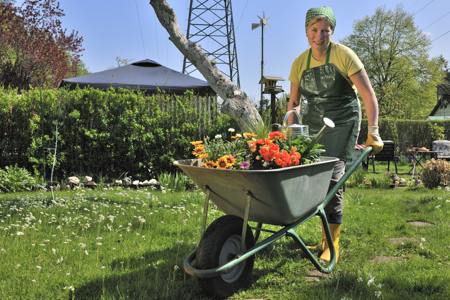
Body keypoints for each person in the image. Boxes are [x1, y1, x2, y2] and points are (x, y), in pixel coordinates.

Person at [288, 6, 383, 263]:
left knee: (332, 179)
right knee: (309, 179)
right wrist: (290, 124)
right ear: (307, 32)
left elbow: (368, 95)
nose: (319, 37)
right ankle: (322, 235)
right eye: (314, 30)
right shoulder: (299, 63)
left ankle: (333, 242)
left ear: (332, 32)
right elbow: (294, 102)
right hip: (314, 123)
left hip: (343, 122)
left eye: (325, 31)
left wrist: (373, 131)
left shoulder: (344, 55)